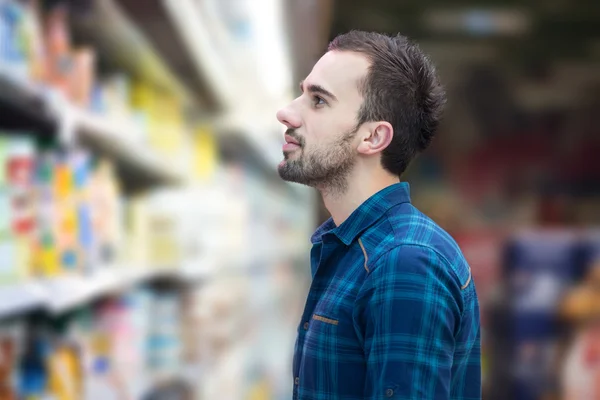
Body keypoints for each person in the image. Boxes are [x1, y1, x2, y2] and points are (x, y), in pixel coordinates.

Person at [276, 30, 481, 399]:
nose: (287, 112)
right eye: (302, 92)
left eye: (318, 100)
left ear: (373, 137)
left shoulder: (405, 262)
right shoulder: (351, 247)